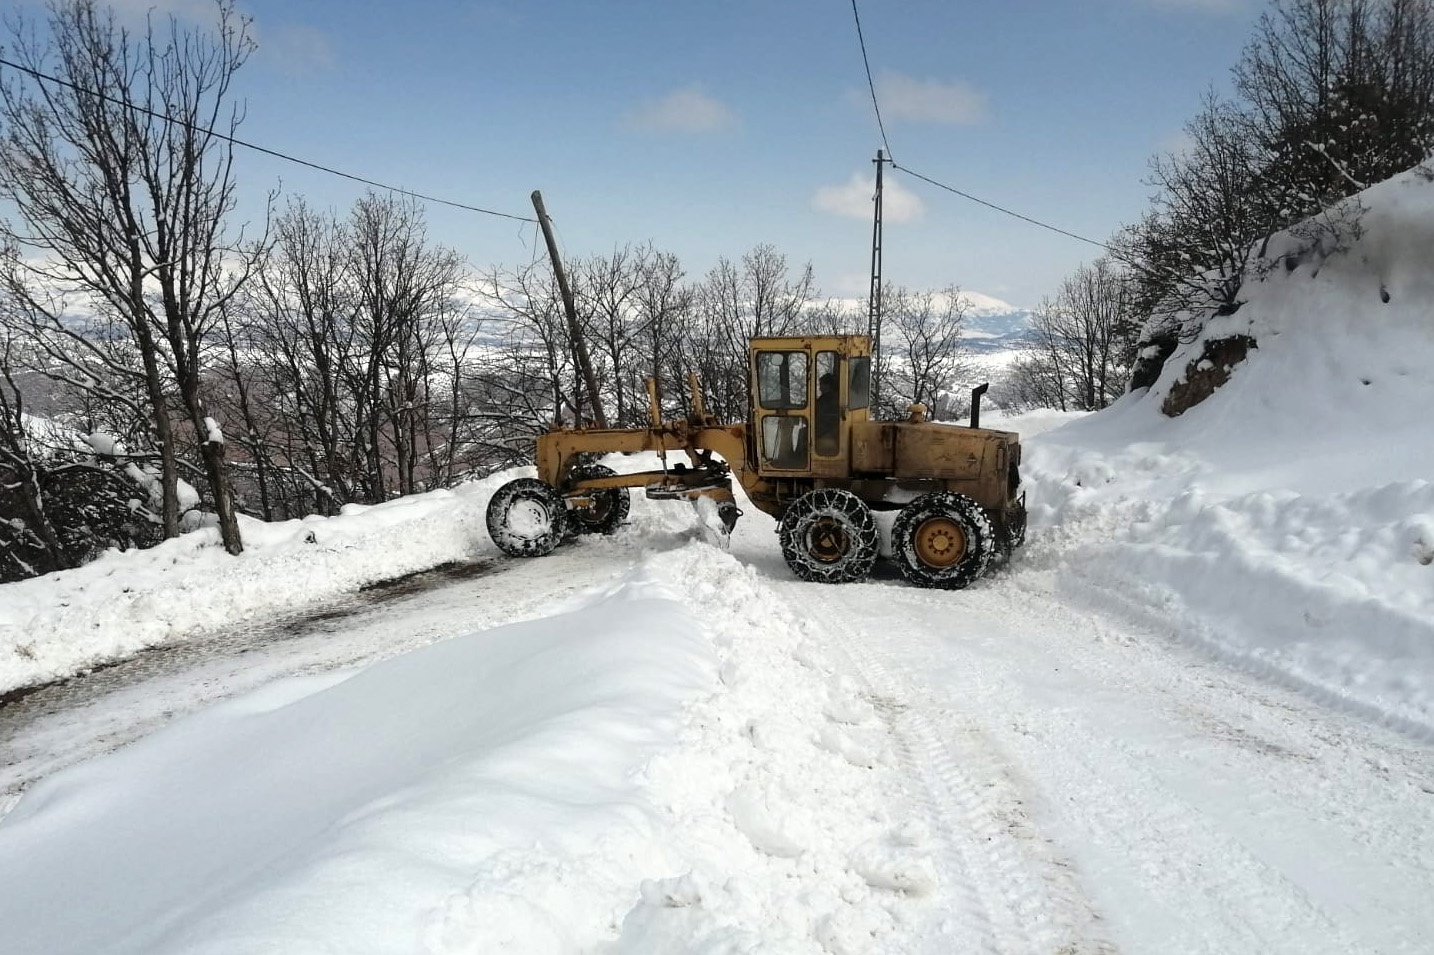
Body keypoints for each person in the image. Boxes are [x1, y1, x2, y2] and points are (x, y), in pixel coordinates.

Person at [814, 371, 839, 456]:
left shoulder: (828, 399)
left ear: (828, 385)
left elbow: (819, 411)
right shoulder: (829, 398)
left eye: (821, 385)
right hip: (826, 428)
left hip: (827, 430)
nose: (820, 388)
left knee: (804, 434)